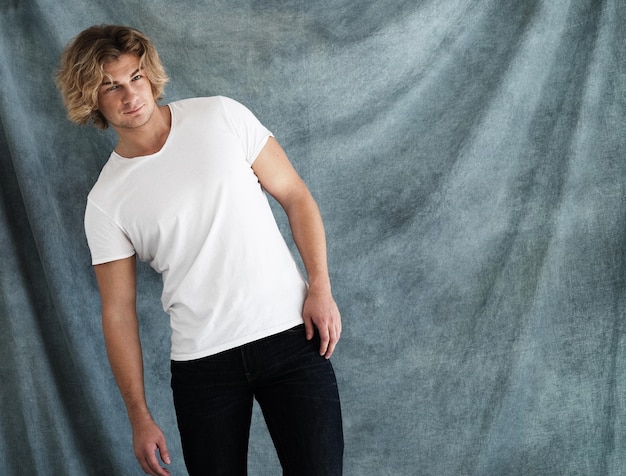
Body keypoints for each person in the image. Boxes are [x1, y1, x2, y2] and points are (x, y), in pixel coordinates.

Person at [56, 25, 343, 476]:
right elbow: (117, 312)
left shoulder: (220, 116)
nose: (130, 94)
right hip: (204, 368)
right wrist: (138, 416)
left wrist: (320, 288)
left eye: (134, 77)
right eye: (110, 86)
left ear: (149, 75)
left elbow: (295, 195)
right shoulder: (105, 202)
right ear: (91, 98)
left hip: (291, 337)